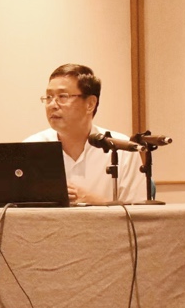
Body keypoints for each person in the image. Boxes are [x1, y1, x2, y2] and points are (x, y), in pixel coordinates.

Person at [24, 63, 145, 205]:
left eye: (63, 96)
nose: (52, 105)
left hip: (105, 221)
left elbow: (138, 213)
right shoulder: (30, 147)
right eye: (49, 97)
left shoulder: (121, 148)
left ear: (90, 104)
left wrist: (92, 200)